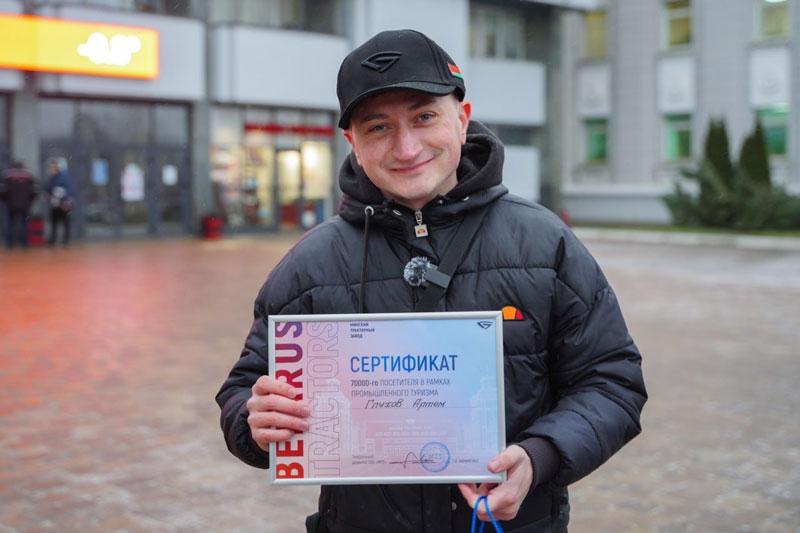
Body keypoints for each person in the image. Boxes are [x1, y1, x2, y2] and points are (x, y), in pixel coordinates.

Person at [217, 29, 646, 532]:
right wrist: (254, 421)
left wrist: (540, 456)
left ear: (462, 120)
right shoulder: (311, 264)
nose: (406, 147)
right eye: (379, 127)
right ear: (353, 143)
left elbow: (612, 381)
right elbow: (243, 391)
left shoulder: (543, 244)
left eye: (424, 117)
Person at [0, 160, 38, 249]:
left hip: (10, 204)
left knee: (9, 224)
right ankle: (24, 244)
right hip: (25, 205)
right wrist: (30, 201)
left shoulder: (7, 175)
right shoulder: (29, 175)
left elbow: (2, 191)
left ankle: (9, 243)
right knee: (24, 224)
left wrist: (5, 200)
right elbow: (35, 191)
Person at [45, 159, 74, 246]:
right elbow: (49, 189)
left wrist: (65, 199)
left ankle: (66, 240)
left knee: (65, 222)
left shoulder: (63, 177)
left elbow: (67, 189)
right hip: (55, 203)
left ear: (57, 168)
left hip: (63, 203)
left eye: (52, 168)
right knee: (54, 222)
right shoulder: (52, 178)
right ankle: (53, 240)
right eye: (50, 168)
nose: (51, 169)